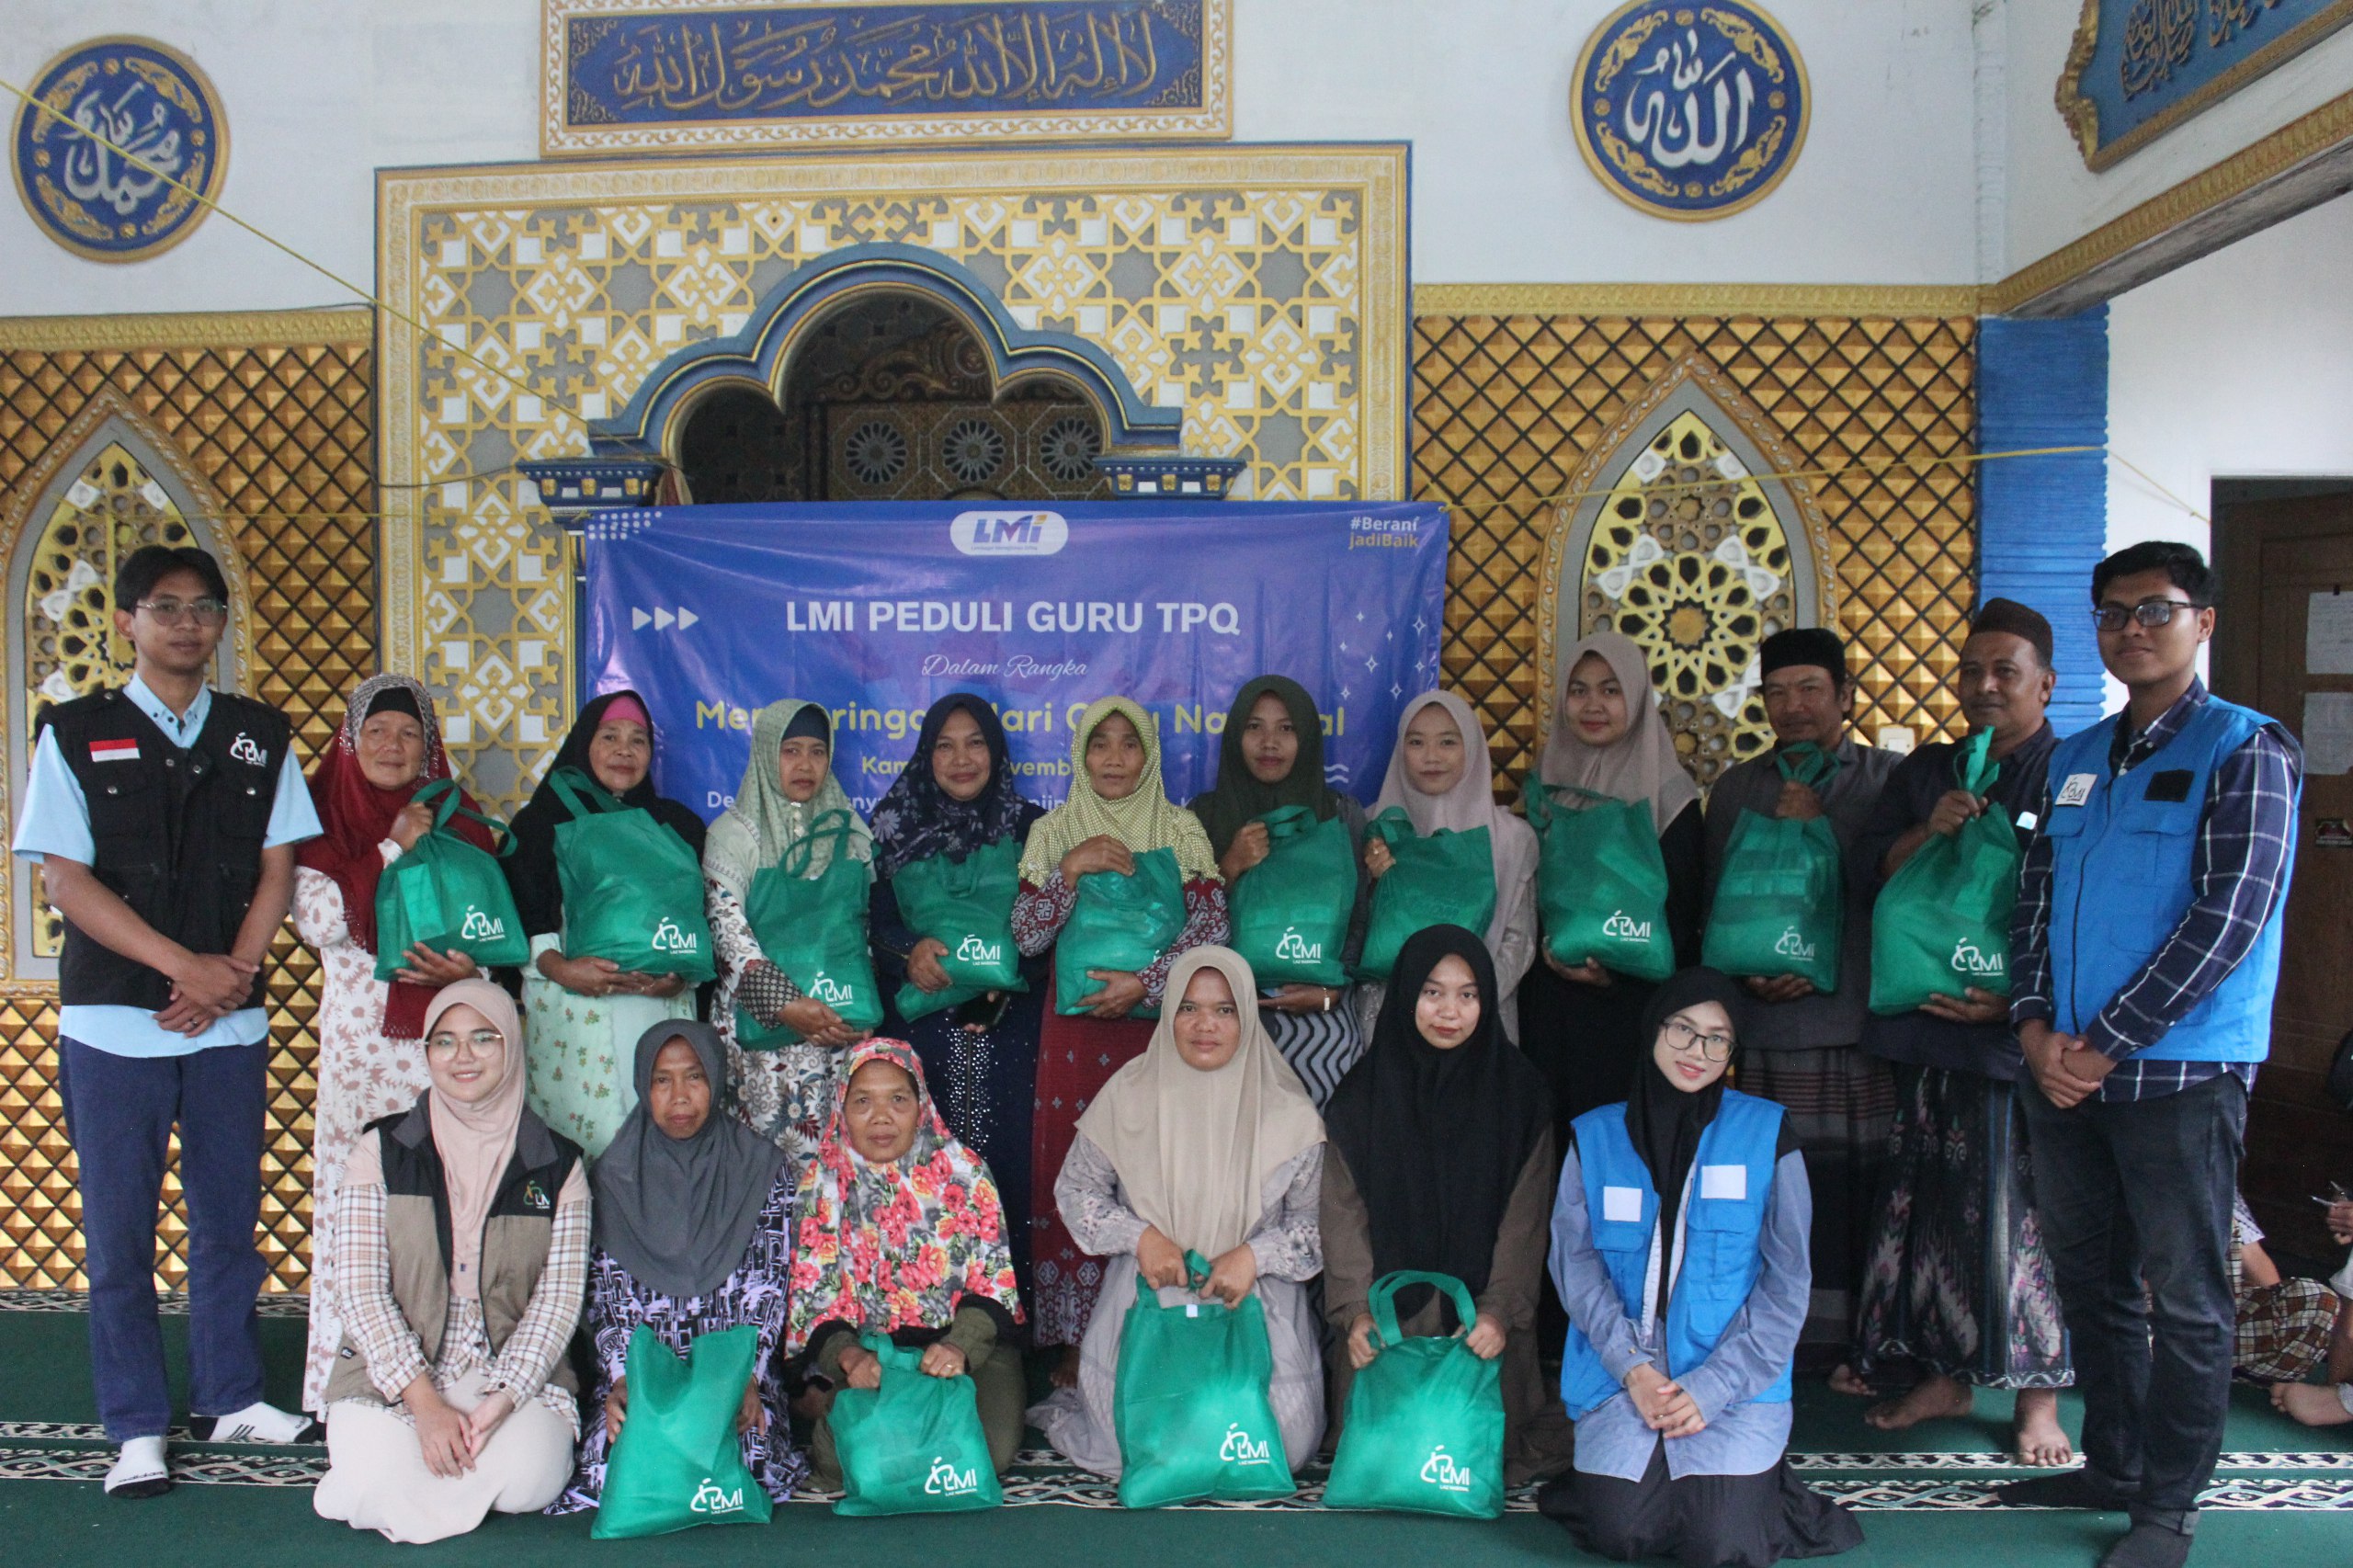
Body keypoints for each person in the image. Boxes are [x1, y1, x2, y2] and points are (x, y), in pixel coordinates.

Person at [2000, 541, 2302, 1568]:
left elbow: (2228, 921)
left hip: (2179, 1072)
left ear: (2201, 622)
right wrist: (2034, 1027)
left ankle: (2167, 1508)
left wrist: (2105, 1043)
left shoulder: (2246, 749)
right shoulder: (2074, 758)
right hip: (2061, 1071)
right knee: (2091, 1283)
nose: (2132, 628)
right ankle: (2116, 1463)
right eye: (2113, 613)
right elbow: (2031, 904)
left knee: (2185, 1298)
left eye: (2156, 609)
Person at [12, 544, 324, 1496]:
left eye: (203, 608)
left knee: (228, 1220)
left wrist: (232, 974)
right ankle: (137, 1424)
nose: (187, 624)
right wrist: (185, 967)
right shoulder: (76, 731)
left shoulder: (257, 733)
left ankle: (230, 1393)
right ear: (127, 622)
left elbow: (278, 868)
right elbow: (65, 880)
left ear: (223, 621)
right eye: (165, 607)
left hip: (228, 1024)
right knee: (119, 1235)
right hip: (115, 1025)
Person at [1842, 599, 2072, 1462]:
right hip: (1925, 1034)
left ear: (2045, 684)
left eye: (2005, 671)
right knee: (1932, 1217)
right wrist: (1922, 833)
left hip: (2017, 1042)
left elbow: (2079, 906)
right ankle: (1945, 1376)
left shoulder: (2071, 771)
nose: (1985, 686)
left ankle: (2038, 1402)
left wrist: (2017, 1005)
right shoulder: (1930, 769)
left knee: (2022, 1223)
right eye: (1972, 670)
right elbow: (1863, 870)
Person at [1540, 968, 1862, 1567]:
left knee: (1720, 1544)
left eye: (1718, 1039)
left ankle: (1760, 1487)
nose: (1698, 1051)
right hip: (1624, 1374)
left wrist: (1714, 1385)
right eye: (1684, 1030)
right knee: (1621, 1533)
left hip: (1735, 1372)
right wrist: (1633, 1369)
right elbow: (1573, 1263)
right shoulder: (1595, 1135)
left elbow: (1788, 1278)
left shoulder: (1767, 1133)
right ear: (1652, 1029)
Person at [1031, 948, 1326, 1477]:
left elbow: (1316, 1224)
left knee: (1283, 1445)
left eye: (1224, 1010)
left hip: (1251, 1301)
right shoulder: (1130, 1092)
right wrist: (1141, 1238)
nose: (1204, 1025)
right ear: (1168, 1012)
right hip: (1153, 1292)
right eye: (1188, 1008)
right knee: (1130, 1445)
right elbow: (1077, 1190)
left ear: (1247, 1016)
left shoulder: (1289, 1109)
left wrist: (1254, 1257)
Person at [313, 981, 588, 1544]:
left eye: (483, 1038)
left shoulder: (558, 1164)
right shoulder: (382, 1150)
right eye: (444, 1041)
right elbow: (360, 1289)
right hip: (397, 1366)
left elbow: (558, 1300)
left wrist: (503, 1399)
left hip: (508, 1360)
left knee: (529, 1481)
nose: (463, 1056)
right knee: (376, 1471)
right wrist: (426, 1406)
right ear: (427, 1052)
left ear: (511, 1045)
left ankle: (396, 1495)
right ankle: (387, 1483)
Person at [293, 673, 492, 1413]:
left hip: (446, 1050)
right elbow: (318, 921)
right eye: (375, 731)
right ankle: (343, 1389)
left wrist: (468, 967)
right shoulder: (323, 818)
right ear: (351, 741)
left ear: (428, 747)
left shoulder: (458, 818)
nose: (392, 745)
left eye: (409, 733)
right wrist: (391, 846)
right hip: (360, 1056)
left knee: (447, 1209)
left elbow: (491, 933)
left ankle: (445, 1384)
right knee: (357, 1211)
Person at [1700, 627, 1899, 1355]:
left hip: (1853, 1028)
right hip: (1764, 1028)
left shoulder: (1885, 780)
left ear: (1845, 695)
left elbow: (1902, 892)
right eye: (1777, 692)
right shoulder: (1737, 788)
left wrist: (1823, 831)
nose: (1794, 706)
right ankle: (1774, 1346)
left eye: (1811, 689)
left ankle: (1857, 1346)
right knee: (1771, 1196)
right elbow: (1716, 905)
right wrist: (1743, 977)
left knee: (1852, 1197)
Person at [1014, 697, 1228, 1357]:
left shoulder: (1181, 830)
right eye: (1099, 743)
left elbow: (1212, 929)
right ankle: (1074, 1343)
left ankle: (1152, 1331)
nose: (1113, 758)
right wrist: (1069, 870)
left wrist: (1148, 984)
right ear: (1080, 755)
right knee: (1075, 1167)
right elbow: (1026, 938)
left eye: (1129, 743)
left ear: (1149, 756)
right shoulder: (1053, 831)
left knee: (1155, 1173)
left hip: (1156, 1037)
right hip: (1074, 1041)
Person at [1322, 925, 1573, 1483]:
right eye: (1432, 992)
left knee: (1481, 1449)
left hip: (1481, 1324)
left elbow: (1525, 1222)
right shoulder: (1361, 1097)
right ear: (1406, 993)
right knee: (1381, 1453)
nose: (1449, 1011)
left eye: (1468, 994)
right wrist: (1357, 1312)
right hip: (1386, 1322)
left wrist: (1499, 1311)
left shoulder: (1521, 1096)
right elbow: (1342, 1216)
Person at [551, 1020, 802, 1514]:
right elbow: (607, 1297)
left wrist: (747, 1376)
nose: (679, 1096)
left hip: (732, 1370)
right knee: (619, 1455)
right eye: (661, 1080)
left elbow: (768, 1285)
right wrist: (624, 1378)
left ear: (717, 1079)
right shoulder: (612, 1176)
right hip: (644, 1370)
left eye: (694, 1077)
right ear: (642, 1086)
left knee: (746, 1451)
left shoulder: (761, 1167)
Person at [783, 1040, 1028, 1484]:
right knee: (838, 1461)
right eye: (863, 1101)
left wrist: (958, 1348)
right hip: (875, 1357)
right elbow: (815, 1297)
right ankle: (833, 1400)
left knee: (988, 1453)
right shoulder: (824, 1184)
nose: (881, 1117)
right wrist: (851, 1358)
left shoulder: (965, 1173)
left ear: (921, 1107)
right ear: (842, 1109)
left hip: (963, 1347)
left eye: (898, 1099)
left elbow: (993, 1283)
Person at [868, 693, 1048, 1289]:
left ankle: (1007, 1316)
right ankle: (922, 1307)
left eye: (975, 743)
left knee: (1010, 1165)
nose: (962, 759)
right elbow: (869, 922)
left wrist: (1004, 987)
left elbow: (1050, 922)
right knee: (923, 1163)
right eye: (945, 746)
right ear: (927, 755)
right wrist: (908, 952)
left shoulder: (1030, 827)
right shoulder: (892, 825)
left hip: (1011, 1030)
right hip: (920, 1028)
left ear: (996, 752)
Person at [1518, 631, 1705, 1133]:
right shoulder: (1544, 785)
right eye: (1578, 690)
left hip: (1634, 1013)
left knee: (1621, 1145)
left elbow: (1684, 918)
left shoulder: (1671, 797)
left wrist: (1614, 977)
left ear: (1638, 698)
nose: (1593, 705)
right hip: (1550, 1009)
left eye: (1610, 689)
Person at [504, 690, 704, 1155]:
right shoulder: (541, 823)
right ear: (584, 743)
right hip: (573, 1015)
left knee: (658, 1141)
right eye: (609, 737)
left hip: (658, 1011)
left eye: (638, 740)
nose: (624, 751)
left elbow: (699, 924)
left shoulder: (676, 826)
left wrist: (681, 976)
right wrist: (559, 968)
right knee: (583, 1147)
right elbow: (517, 916)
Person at [1188, 675, 1370, 1104]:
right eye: (1254, 727)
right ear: (1236, 735)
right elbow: (1183, 928)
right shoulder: (1204, 816)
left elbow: (1361, 918)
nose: (1269, 742)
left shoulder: (1340, 814)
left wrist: (1331, 993)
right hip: (1222, 1019)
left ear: (1305, 737)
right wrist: (1230, 865)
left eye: (1286, 728)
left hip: (1321, 1023)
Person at [704, 699, 874, 1159]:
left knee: (837, 1159)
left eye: (818, 751)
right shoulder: (733, 835)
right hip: (760, 1037)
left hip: (837, 1027)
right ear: (765, 753)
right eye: (790, 750)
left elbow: (861, 929)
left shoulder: (851, 832)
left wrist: (857, 1011)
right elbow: (727, 932)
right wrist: (788, 1005)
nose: (805, 764)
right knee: (762, 1163)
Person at [1360, 690, 1538, 1041]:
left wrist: (1460, 1006)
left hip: (1480, 1023)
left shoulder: (1511, 839)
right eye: (1416, 742)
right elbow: (1351, 936)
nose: (1431, 756)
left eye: (1447, 742)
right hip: (1388, 1019)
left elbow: (1518, 944)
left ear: (1471, 747)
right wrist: (1374, 883)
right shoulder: (1371, 828)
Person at [2226, 1194, 2338, 1385]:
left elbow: (2254, 1259)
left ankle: (2234, 1375)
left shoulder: (2215, 1188)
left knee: (2320, 1301)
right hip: (2173, 1320)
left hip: (2215, 1325)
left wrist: (2276, 1326)